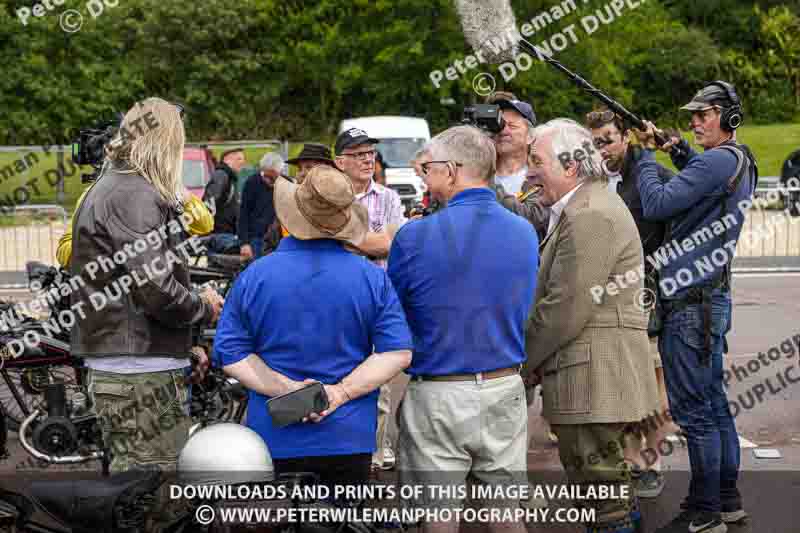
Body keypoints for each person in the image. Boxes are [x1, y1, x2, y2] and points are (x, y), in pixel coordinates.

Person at [70, 98, 223, 530]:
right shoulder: (134, 193)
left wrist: (182, 347)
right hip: (137, 374)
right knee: (156, 502)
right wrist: (202, 308)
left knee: (140, 494)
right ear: (165, 140)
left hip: (133, 364)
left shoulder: (118, 186)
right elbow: (156, 289)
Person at [214, 164, 412, 488]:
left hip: (273, 435)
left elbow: (230, 353)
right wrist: (339, 392)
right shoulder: (372, 278)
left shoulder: (256, 276)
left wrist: (286, 389)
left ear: (291, 218)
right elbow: (397, 352)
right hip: (348, 438)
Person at [388, 125, 539, 533]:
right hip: (504, 383)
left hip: (439, 388)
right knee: (506, 513)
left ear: (452, 170)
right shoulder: (524, 232)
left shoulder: (414, 236)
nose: (426, 175)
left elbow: (394, 311)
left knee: (439, 514)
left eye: (432, 168)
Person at [523, 119, 659, 533]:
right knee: (611, 493)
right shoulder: (587, 206)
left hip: (592, 382)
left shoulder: (588, 213)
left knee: (601, 499)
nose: (529, 171)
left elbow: (565, 307)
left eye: (536, 161)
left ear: (570, 166)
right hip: (593, 378)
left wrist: (521, 362)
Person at [635, 81, 757, 533]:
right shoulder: (738, 160)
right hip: (708, 300)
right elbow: (704, 184)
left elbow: (657, 202)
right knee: (714, 406)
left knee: (694, 413)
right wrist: (679, 150)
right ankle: (726, 501)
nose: (694, 121)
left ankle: (703, 511)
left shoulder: (720, 160)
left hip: (690, 306)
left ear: (729, 118)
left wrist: (646, 157)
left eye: (704, 114)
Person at [586, 107, 679, 499]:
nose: (601, 149)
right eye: (593, 143)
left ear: (625, 137)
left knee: (654, 385)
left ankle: (652, 462)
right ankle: (628, 459)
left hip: (648, 295)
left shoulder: (650, 174)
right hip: (604, 298)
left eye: (607, 139)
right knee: (618, 384)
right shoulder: (590, 182)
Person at [334, 127, 407, 471]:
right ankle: (346, 452)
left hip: (377, 298)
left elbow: (392, 243)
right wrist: (370, 240)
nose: (367, 159)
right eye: (358, 154)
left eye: (370, 154)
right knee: (342, 373)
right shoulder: (331, 196)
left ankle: (376, 455)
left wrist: (350, 239)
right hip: (339, 299)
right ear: (340, 162)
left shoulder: (389, 197)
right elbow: (332, 241)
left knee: (380, 382)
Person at [57, 185, 213, 268]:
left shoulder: (166, 190)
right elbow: (64, 253)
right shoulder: (94, 194)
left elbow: (205, 224)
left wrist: (179, 192)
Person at [238, 152, 283, 261]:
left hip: (279, 241)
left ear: (280, 172)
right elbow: (243, 214)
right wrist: (244, 243)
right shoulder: (252, 183)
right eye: (266, 176)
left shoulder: (286, 184)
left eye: (273, 178)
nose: (268, 181)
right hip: (256, 241)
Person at [203, 148, 245, 253]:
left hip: (225, 235)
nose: (243, 162)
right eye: (239, 159)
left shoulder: (229, 178)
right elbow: (208, 204)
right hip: (219, 236)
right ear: (227, 159)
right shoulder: (221, 176)